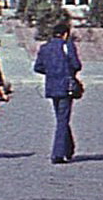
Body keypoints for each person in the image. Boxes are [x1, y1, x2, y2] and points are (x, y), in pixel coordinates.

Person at [33, 19, 82, 164]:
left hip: (51, 86)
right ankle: (58, 153)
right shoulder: (67, 46)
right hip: (66, 86)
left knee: (61, 118)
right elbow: (76, 64)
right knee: (63, 119)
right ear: (65, 34)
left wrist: (51, 72)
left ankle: (68, 148)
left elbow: (38, 67)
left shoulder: (44, 48)